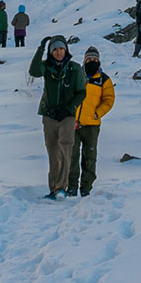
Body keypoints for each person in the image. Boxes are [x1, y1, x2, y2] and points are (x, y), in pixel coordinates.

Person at [28, 37, 88, 200]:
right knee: (53, 150)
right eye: (54, 49)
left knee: (65, 148)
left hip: (67, 116)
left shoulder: (75, 69)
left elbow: (82, 92)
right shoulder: (47, 67)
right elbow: (33, 71)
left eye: (61, 49)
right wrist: (40, 49)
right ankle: (54, 188)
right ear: (50, 52)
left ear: (66, 50)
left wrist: (69, 108)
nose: (58, 52)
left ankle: (61, 187)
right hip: (49, 114)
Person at [72, 47, 114, 197]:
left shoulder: (104, 79)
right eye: (89, 59)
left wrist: (97, 113)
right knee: (72, 156)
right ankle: (71, 187)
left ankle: (86, 188)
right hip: (73, 124)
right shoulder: (76, 75)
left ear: (99, 61)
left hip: (92, 126)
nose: (92, 61)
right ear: (84, 61)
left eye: (94, 59)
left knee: (90, 158)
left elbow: (109, 100)